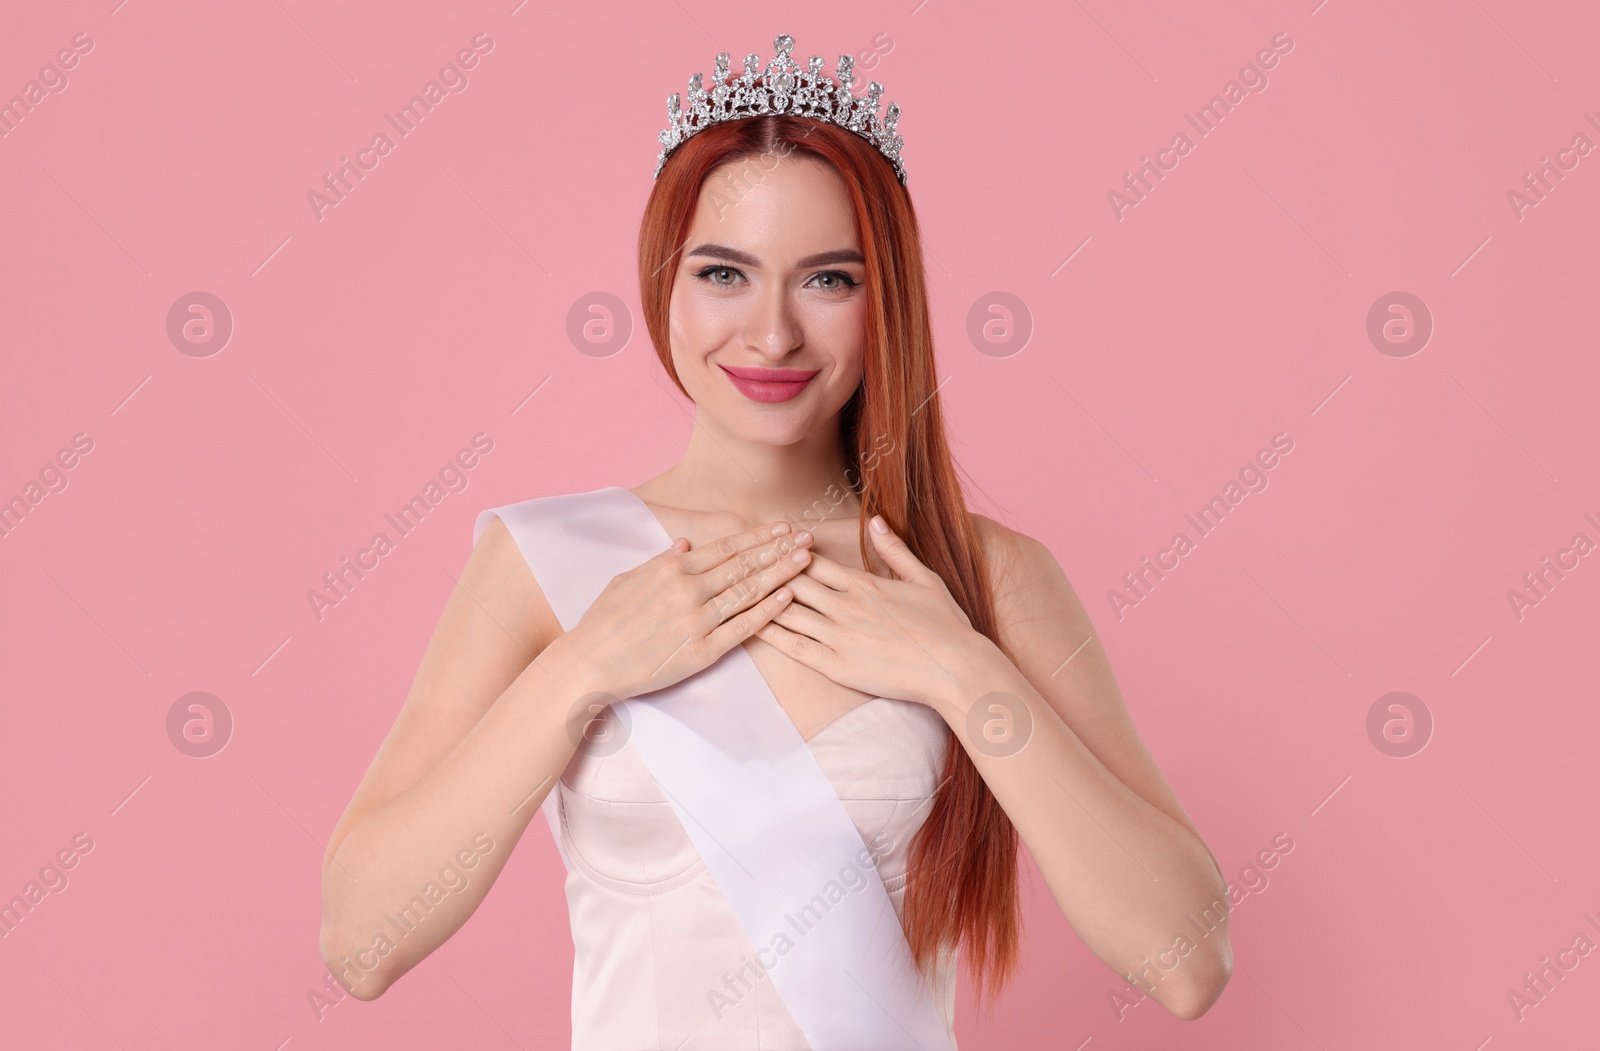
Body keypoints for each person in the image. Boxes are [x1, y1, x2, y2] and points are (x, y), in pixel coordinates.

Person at [319, 33, 1232, 1050]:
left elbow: (1185, 961)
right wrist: (585, 666)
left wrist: (960, 672)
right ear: (662, 280)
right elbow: (362, 943)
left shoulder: (982, 578)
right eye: (723, 273)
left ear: (885, 295)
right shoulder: (543, 565)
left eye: (828, 280)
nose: (771, 335)